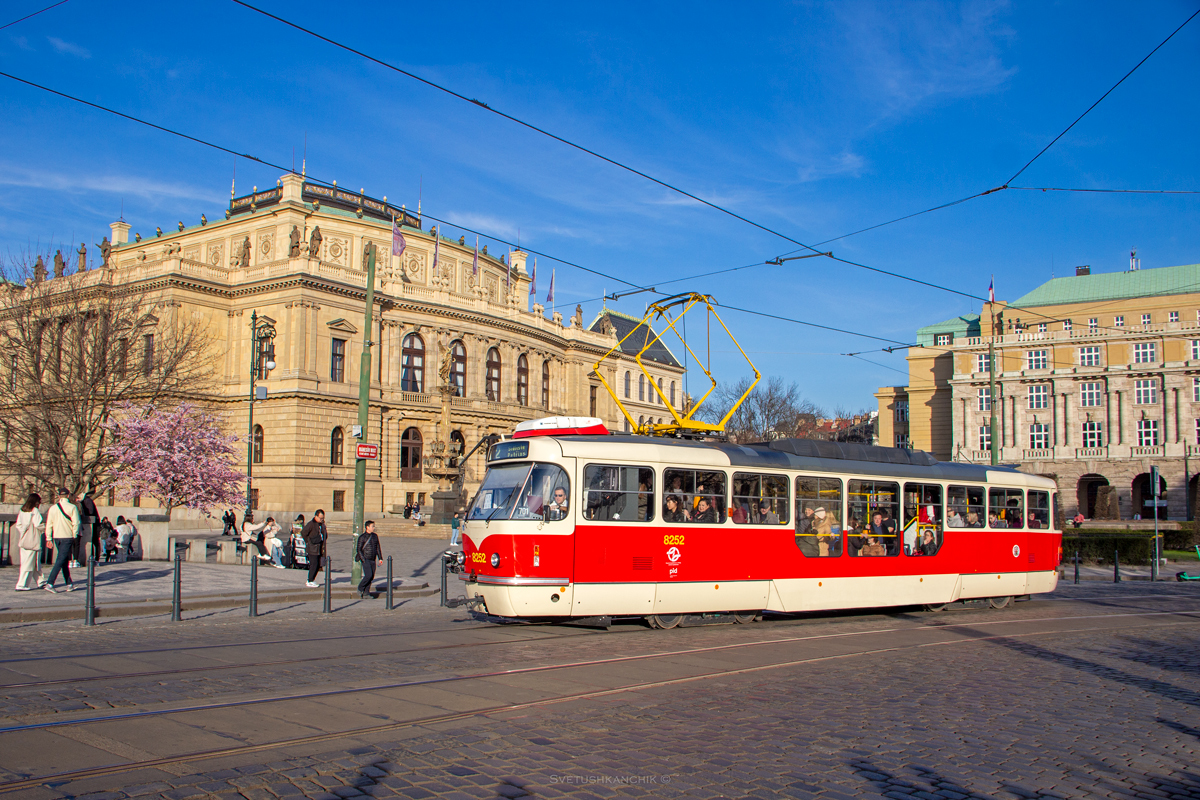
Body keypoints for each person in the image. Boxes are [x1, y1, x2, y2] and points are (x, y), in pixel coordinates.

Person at [44, 488, 80, 592]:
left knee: (63, 559)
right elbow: (76, 523)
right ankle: (50, 583)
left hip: (56, 537)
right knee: (60, 560)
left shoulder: (53, 508)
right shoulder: (72, 507)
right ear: (68, 495)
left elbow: (49, 524)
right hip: (67, 536)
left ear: (59, 496)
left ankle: (69, 583)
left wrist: (48, 538)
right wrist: (75, 535)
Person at [14, 492, 45, 591]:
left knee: (32, 562)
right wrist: (46, 528)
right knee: (29, 563)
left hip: (24, 540)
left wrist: (24, 532)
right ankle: (21, 584)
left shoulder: (22, 510)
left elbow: (18, 524)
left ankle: (41, 581)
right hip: (33, 541)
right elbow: (37, 524)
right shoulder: (34, 511)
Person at [355, 520, 382, 598]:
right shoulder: (362, 537)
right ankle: (360, 588)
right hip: (366, 559)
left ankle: (366, 593)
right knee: (368, 575)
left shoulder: (375, 536)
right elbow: (359, 549)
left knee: (371, 576)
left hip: (373, 559)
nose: (373, 528)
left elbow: (378, 548)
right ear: (367, 527)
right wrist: (363, 559)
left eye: (374, 526)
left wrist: (380, 558)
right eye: (372, 526)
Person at [302, 509, 327, 587]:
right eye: (320, 518)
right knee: (314, 564)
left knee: (318, 564)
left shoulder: (321, 525)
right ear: (316, 516)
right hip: (312, 547)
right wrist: (308, 542)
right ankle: (310, 580)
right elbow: (303, 533)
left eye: (322, 518)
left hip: (319, 547)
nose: (321, 519)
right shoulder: (311, 524)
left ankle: (312, 579)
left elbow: (325, 534)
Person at [81, 490, 100, 563]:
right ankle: (94, 557)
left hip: (93, 525)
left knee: (94, 541)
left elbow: (90, 512)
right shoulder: (86, 500)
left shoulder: (87, 501)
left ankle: (95, 558)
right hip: (94, 524)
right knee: (94, 542)